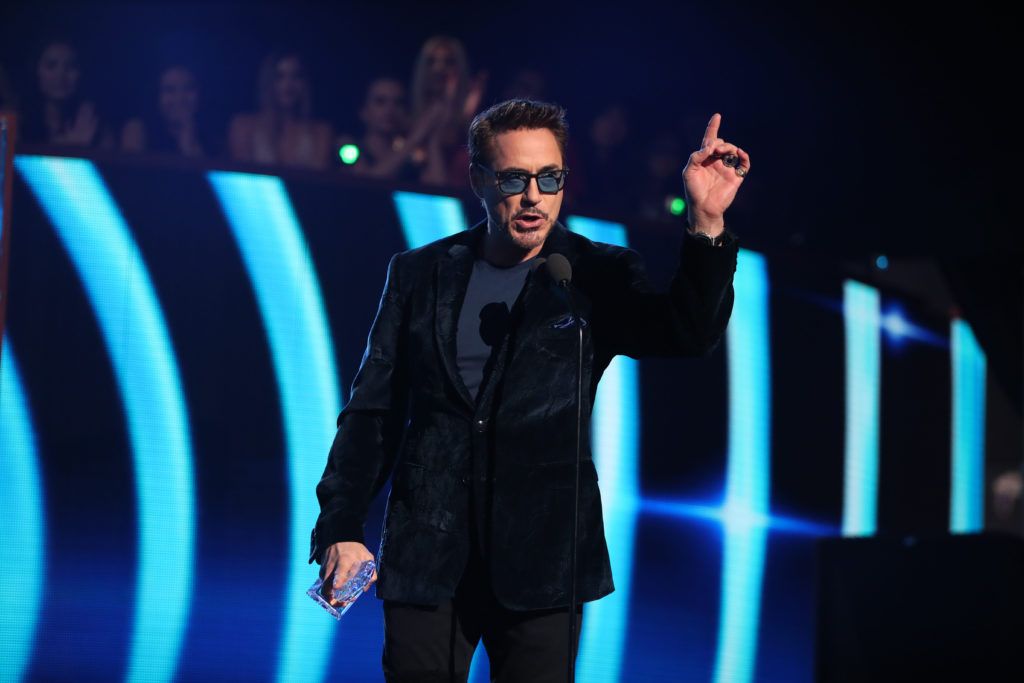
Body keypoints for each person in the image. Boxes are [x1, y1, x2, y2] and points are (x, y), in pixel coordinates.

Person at [309, 99, 748, 682]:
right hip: (429, 553)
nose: (534, 196)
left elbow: (687, 334)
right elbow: (373, 411)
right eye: (515, 178)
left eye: (550, 178)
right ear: (479, 181)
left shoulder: (596, 273)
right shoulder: (419, 273)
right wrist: (340, 525)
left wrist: (707, 225)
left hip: (544, 562)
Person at [227, 51, 334, 170]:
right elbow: (242, 174)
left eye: (296, 76)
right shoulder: (244, 126)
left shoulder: (320, 132)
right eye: (280, 76)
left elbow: (318, 180)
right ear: (268, 82)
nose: (288, 84)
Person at [18, 39, 114, 148]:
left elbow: (109, 163)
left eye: (70, 66)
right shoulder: (17, 122)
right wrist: (67, 147)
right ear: (36, 71)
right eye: (51, 66)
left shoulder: (95, 124)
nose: (60, 75)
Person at [121, 64, 212, 158]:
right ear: (157, 96)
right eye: (170, 90)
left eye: (188, 88)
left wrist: (188, 139)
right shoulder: (138, 130)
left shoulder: (211, 137)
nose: (180, 98)